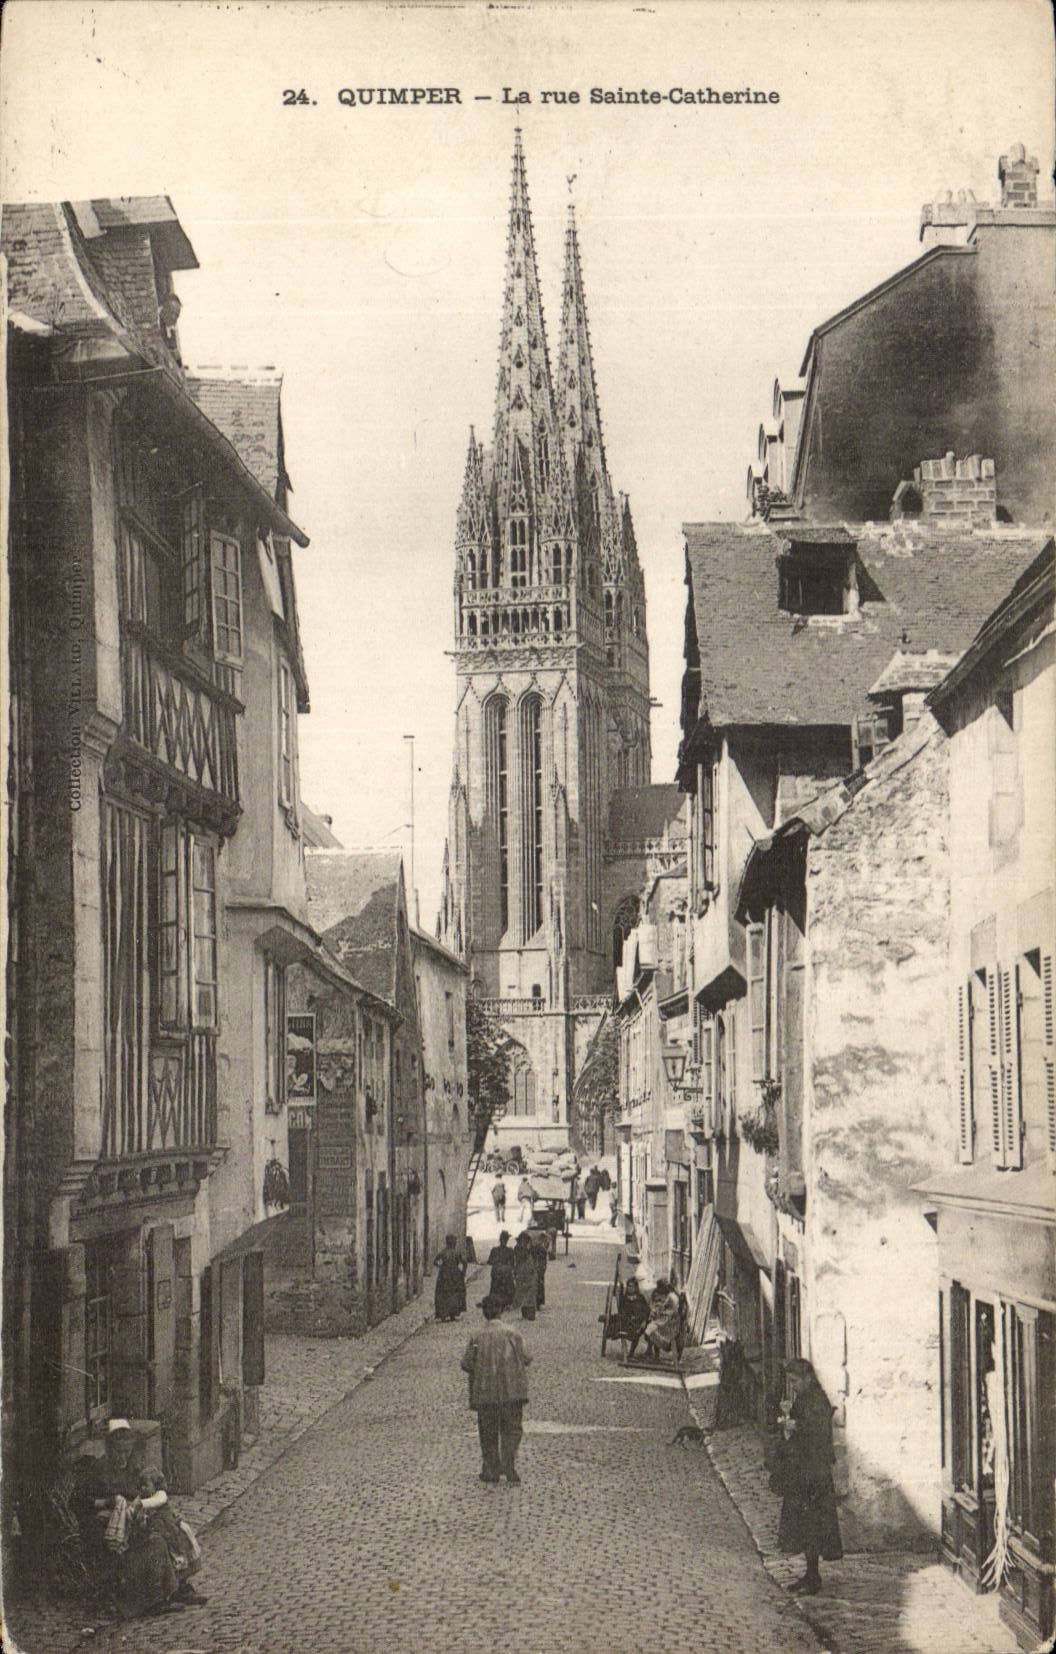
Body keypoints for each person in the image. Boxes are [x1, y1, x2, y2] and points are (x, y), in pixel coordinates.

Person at [73, 1419, 181, 1618]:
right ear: (110, 1449)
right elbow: (78, 1501)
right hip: (105, 1531)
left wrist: (141, 1506)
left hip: (131, 1524)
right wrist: (107, 1502)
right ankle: (149, 1600)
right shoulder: (98, 1470)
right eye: (119, 1452)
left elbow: (140, 1495)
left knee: (166, 1529)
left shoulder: (133, 1470)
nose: (123, 1457)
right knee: (153, 1543)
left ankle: (172, 1591)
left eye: (127, 1452)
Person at [774, 1357, 843, 1595]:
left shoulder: (817, 1399)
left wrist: (796, 1426)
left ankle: (814, 1578)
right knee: (804, 1524)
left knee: (813, 1524)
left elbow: (819, 1433)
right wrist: (790, 1423)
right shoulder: (805, 1398)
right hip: (803, 1471)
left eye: (795, 1381)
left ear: (808, 1378)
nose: (792, 1386)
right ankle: (810, 1574)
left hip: (814, 1473)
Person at [461, 1294, 532, 1485]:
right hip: (512, 1391)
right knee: (512, 1429)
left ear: (484, 1313)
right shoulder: (513, 1333)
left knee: (488, 1431)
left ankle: (491, 1470)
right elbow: (527, 1358)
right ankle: (509, 1465)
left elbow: (466, 1363)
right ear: (501, 1311)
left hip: (486, 1392)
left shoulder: (477, 1336)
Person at [130, 1471, 207, 1605]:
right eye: (141, 1485)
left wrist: (140, 1504)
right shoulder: (142, 1498)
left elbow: (155, 1502)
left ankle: (181, 1586)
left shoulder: (160, 1495)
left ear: (157, 1485)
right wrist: (134, 1510)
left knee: (179, 1556)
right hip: (159, 1532)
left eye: (146, 1485)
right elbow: (135, 1510)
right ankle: (174, 1589)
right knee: (169, 1559)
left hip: (171, 1532)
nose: (143, 1488)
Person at [644, 1278, 681, 1362]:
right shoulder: (661, 1293)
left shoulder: (672, 1297)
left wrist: (659, 1311)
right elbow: (654, 1304)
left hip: (671, 1321)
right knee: (651, 1323)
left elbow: (672, 1310)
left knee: (652, 1327)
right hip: (664, 1318)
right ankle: (652, 1352)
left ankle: (652, 1350)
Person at [616, 1277, 650, 1365]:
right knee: (629, 1330)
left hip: (640, 1321)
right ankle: (629, 1353)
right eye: (629, 1286)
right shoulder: (624, 1299)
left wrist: (644, 1321)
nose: (630, 1288)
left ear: (636, 1287)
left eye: (632, 1286)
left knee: (644, 1329)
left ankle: (643, 1352)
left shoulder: (640, 1298)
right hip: (629, 1321)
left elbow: (647, 1310)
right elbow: (622, 1310)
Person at [434, 1234, 467, 1322]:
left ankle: (443, 1315)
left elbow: (435, 1261)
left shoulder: (443, 1252)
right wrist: (463, 1273)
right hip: (455, 1274)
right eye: (454, 1241)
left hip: (444, 1275)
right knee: (454, 1294)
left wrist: (441, 1266)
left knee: (443, 1294)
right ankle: (452, 1314)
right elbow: (464, 1263)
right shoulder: (457, 1252)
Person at [487, 1230, 516, 1309]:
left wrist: (497, 1263)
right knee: (507, 1287)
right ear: (507, 1240)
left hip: (496, 1272)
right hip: (506, 1272)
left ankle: (496, 1303)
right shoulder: (510, 1250)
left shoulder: (494, 1250)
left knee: (495, 1287)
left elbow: (490, 1262)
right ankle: (505, 1303)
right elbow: (512, 1264)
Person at [512, 1232, 538, 1321]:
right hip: (523, 1273)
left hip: (527, 1273)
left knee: (529, 1293)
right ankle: (527, 1313)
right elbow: (521, 1258)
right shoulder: (519, 1249)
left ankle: (529, 1313)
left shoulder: (526, 1249)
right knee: (525, 1293)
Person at [525, 1219, 549, 1308]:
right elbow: (547, 1242)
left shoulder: (525, 1232)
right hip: (540, 1260)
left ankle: (529, 1301)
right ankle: (539, 1301)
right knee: (540, 1280)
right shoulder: (542, 1233)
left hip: (530, 1258)